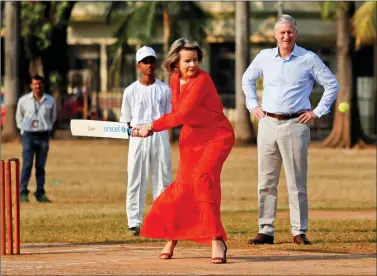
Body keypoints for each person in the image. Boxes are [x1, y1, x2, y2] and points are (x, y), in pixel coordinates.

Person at [134, 38, 235, 264]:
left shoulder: (203, 81)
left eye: (195, 60)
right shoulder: (174, 79)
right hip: (191, 138)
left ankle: (217, 239)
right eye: (187, 61)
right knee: (182, 188)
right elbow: (178, 112)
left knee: (203, 180)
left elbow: (182, 115)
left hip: (217, 135)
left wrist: (151, 126)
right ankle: (173, 236)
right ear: (175, 63)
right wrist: (147, 127)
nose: (192, 65)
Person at [242, 14, 339, 245]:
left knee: (296, 181)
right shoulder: (265, 57)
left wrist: (317, 111)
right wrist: (253, 106)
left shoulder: (308, 58)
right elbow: (247, 79)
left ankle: (299, 231)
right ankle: (265, 230)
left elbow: (331, 84)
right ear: (275, 34)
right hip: (267, 124)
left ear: (296, 33)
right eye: (282, 32)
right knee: (266, 181)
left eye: (290, 31)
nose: (287, 36)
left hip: (296, 124)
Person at [120, 46, 172, 236]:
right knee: (136, 179)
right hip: (137, 137)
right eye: (145, 62)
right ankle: (134, 222)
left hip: (159, 135)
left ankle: (162, 220)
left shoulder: (164, 89)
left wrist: (157, 128)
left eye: (151, 61)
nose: (149, 65)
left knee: (163, 179)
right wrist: (132, 132)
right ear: (138, 65)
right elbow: (125, 122)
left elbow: (169, 117)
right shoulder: (130, 91)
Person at [16, 75, 57, 203]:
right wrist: (23, 130)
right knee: (27, 164)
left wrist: (47, 128)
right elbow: (19, 117)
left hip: (43, 135)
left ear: (43, 84)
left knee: (40, 166)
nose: (37, 86)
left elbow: (53, 117)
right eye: (35, 84)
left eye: (39, 83)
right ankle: (23, 192)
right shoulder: (24, 100)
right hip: (29, 135)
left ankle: (40, 192)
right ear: (31, 85)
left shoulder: (50, 100)